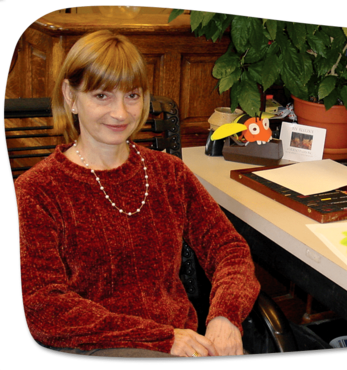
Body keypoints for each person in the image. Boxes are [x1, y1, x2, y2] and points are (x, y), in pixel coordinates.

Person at [15, 30, 260, 358]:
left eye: (132, 95)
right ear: (70, 97)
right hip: (96, 344)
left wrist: (225, 316)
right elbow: (43, 307)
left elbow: (229, 249)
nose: (121, 113)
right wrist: (162, 339)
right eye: (102, 96)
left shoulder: (169, 172)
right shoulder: (37, 191)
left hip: (182, 341)